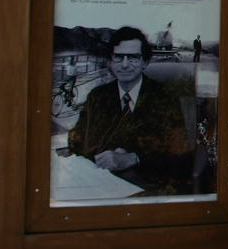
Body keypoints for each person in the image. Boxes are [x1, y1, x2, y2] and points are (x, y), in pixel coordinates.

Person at [68, 26, 193, 195]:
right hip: (98, 184)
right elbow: (77, 141)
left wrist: (135, 158)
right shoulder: (97, 97)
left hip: (146, 188)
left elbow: (182, 157)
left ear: (145, 62)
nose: (125, 65)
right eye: (118, 57)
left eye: (133, 57)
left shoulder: (165, 98)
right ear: (110, 62)